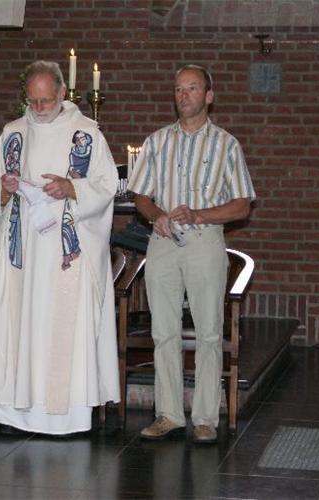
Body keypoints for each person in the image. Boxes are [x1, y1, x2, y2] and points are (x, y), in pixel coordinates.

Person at [0, 60, 120, 435]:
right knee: (20, 323)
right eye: (33, 101)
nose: (39, 108)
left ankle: (65, 416)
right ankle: (14, 413)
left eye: (46, 100)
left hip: (65, 255)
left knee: (63, 328)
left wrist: (72, 188)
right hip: (23, 254)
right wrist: (4, 190)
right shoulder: (13, 134)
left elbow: (107, 186)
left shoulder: (86, 134)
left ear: (62, 94)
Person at [128, 64, 256, 443]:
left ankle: (204, 418)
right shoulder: (156, 141)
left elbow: (242, 205)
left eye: (192, 88)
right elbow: (140, 196)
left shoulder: (227, 145)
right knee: (163, 332)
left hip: (204, 242)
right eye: (178, 89)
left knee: (208, 333)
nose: (183, 95)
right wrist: (156, 215)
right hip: (163, 241)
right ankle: (168, 414)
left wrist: (199, 214)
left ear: (209, 96)